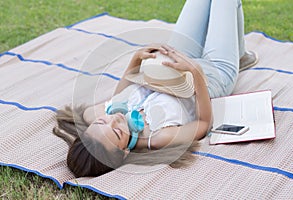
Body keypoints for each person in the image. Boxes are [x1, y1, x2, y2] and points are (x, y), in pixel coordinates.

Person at [53, 0, 258, 177]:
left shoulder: (98, 116)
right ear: (124, 151)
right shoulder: (158, 137)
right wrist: (195, 73)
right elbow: (203, 123)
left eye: (102, 121)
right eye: (116, 131)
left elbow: (118, 99)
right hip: (211, 76)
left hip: (172, 61)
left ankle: (238, 53)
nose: (114, 119)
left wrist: (135, 61)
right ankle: (235, 57)